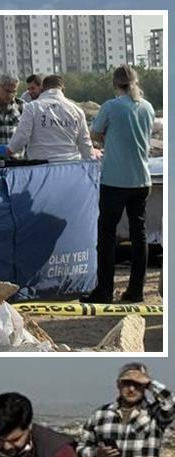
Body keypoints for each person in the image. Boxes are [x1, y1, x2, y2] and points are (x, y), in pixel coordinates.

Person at [84, 65, 155, 305]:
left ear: (115, 85)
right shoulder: (147, 107)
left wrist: (108, 138)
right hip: (142, 179)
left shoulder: (111, 106)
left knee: (106, 235)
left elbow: (94, 133)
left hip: (115, 179)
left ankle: (104, 289)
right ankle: (136, 290)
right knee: (140, 235)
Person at [7, 75, 93, 163]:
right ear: (62, 89)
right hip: (70, 165)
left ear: (42, 88)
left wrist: (9, 150)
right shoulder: (77, 111)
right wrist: (92, 163)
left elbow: (22, 136)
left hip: (41, 165)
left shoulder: (32, 107)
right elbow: (85, 144)